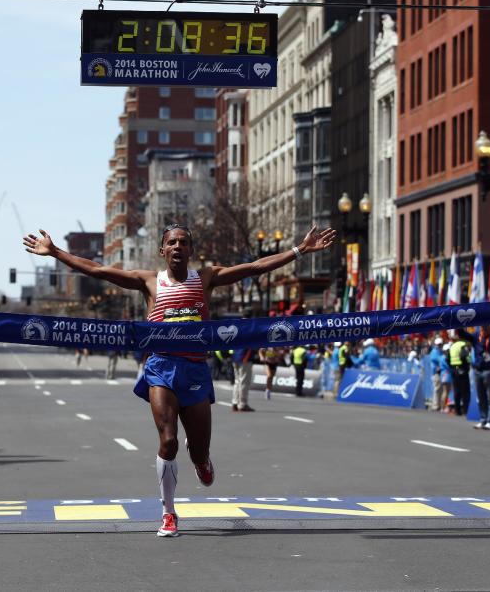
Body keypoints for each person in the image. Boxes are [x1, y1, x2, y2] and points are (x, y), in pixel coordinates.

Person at [23, 222, 335, 538]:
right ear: (163, 251)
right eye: (171, 243)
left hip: (196, 371)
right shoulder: (148, 281)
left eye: (183, 242)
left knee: (198, 452)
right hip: (161, 368)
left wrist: (301, 249)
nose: (177, 247)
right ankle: (168, 512)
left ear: (190, 250)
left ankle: (201, 459)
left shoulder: (206, 278)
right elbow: (99, 270)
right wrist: (55, 252)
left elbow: (254, 267)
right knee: (168, 440)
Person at [459, 324, 490, 430]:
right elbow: (462, 334)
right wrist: (459, 323)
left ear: (489, 327)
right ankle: (483, 419)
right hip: (477, 371)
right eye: (482, 327)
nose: (484, 328)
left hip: (489, 370)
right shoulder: (476, 336)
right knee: (481, 397)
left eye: (486, 327)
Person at [447, 333, 471, 416]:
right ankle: (466, 410)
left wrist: (453, 366)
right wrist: (467, 364)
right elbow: (463, 356)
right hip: (462, 369)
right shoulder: (463, 345)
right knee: (465, 391)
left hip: (454, 370)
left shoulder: (452, 346)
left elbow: (447, 358)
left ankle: (457, 410)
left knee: (457, 391)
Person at [230, 347, 255, 411]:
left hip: (235, 357)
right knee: (244, 382)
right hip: (244, 357)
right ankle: (242, 404)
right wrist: (246, 357)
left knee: (237, 381)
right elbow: (251, 346)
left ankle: (235, 402)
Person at [428, 337, 447, 411]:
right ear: (436, 345)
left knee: (440, 390)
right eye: (438, 344)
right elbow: (439, 359)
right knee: (437, 389)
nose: (440, 346)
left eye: (441, 344)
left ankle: (438, 405)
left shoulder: (440, 352)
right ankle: (435, 406)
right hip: (436, 373)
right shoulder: (434, 352)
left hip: (440, 373)